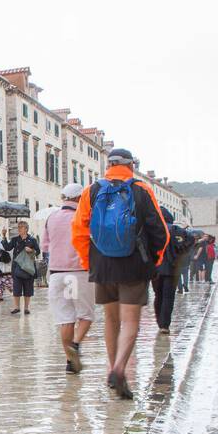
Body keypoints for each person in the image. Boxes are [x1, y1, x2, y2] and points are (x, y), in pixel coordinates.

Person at [71, 148, 169, 399]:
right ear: (131, 166)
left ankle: (111, 365)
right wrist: (154, 261)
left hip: (102, 263)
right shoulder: (141, 189)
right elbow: (160, 231)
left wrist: (88, 260)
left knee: (111, 319)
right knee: (131, 321)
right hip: (134, 263)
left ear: (108, 165)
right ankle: (118, 369)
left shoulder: (91, 191)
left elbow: (79, 231)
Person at [42, 183, 95, 372]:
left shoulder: (51, 218)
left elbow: (45, 247)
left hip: (57, 274)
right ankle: (76, 344)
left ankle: (70, 362)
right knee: (86, 315)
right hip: (79, 272)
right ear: (79, 198)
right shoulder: (84, 217)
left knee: (66, 319)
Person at [153, 207, 190, 335]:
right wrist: (180, 253)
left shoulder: (154, 229)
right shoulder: (177, 230)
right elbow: (190, 240)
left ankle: (160, 321)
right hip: (173, 267)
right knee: (168, 296)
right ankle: (165, 324)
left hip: (156, 267)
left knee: (158, 295)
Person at [6, 220, 41, 315]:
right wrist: (4, 236)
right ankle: (16, 307)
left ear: (26, 229)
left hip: (28, 268)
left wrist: (31, 250)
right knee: (16, 288)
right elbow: (7, 248)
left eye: (21, 227)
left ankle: (26, 308)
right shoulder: (15, 240)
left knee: (28, 288)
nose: (19, 229)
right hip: (17, 268)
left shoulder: (32, 240)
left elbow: (38, 251)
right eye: (18, 227)